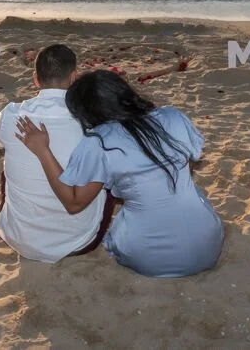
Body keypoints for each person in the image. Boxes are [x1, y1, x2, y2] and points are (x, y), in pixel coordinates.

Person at [15, 69, 223, 277]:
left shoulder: (99, 141)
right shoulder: (173, 116)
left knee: (119, 222)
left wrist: (43, 151)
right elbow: (186, 166)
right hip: (208, 245)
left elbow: (74, 203)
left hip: (148, 256)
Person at [0, 44, 111, 263]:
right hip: (78, 241)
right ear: (73, 77)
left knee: (8, 159)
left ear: (36, 79)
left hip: (19, 238)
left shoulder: (9, 115)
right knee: (105, 171)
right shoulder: (91, 121)